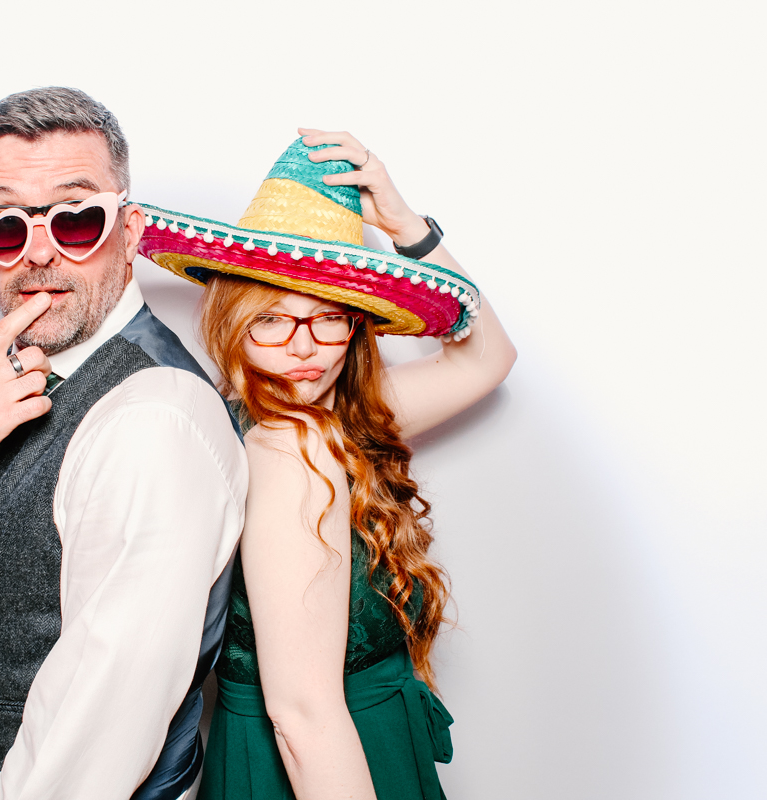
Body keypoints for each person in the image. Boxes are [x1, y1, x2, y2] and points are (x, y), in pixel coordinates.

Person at [0, 87, 247, 800]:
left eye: (77, 219)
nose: (37, 254)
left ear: (130, 232)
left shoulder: (155, 417)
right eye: (3, 226)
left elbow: (97, 732)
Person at [138, 129, 517, 800]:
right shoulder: (290, 447)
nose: (303, 348)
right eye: (272, 321)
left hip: (355, 742)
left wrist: (405, 224)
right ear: (232, 322)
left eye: (328, 319)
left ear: (356, 326)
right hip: (327, 764)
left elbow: (489, 359)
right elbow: (304, 716)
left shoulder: (322, 418)